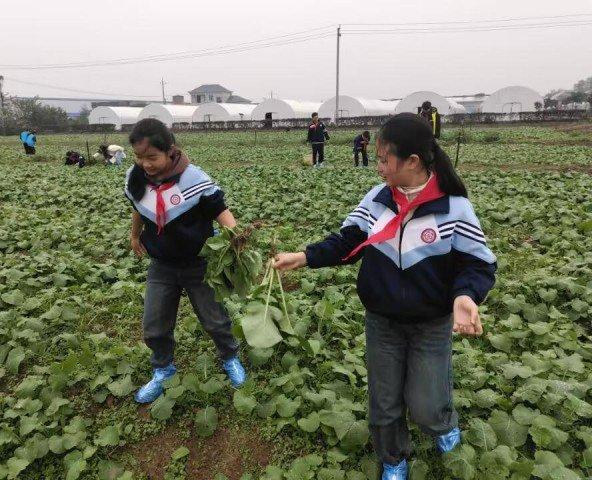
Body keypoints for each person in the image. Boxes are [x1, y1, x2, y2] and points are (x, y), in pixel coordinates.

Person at [274, 113, 496, 480]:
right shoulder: (377, 199)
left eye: (382, 160)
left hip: (430, 323)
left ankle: (442, 422)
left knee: (426, 404)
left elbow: (478, 264)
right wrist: (305, 256)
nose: (377, 167)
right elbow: (348, 240)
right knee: (385, 401)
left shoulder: (453, 207)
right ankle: (393, 458)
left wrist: (465, 297)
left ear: (412, 161)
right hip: (383, 322)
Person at [124, 118, 246, 404]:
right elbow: (139, 209)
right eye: (139, 157)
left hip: (198, 263)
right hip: (162, 265)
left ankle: (230, 358)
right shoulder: (138, 176)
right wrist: (134, 236)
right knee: (154, 324)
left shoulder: (194, 179)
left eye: (152, 157)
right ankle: (163, 369)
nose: (146, 164)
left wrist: (238, 238)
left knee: (215, 320)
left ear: (170, 150)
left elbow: (220, 211)